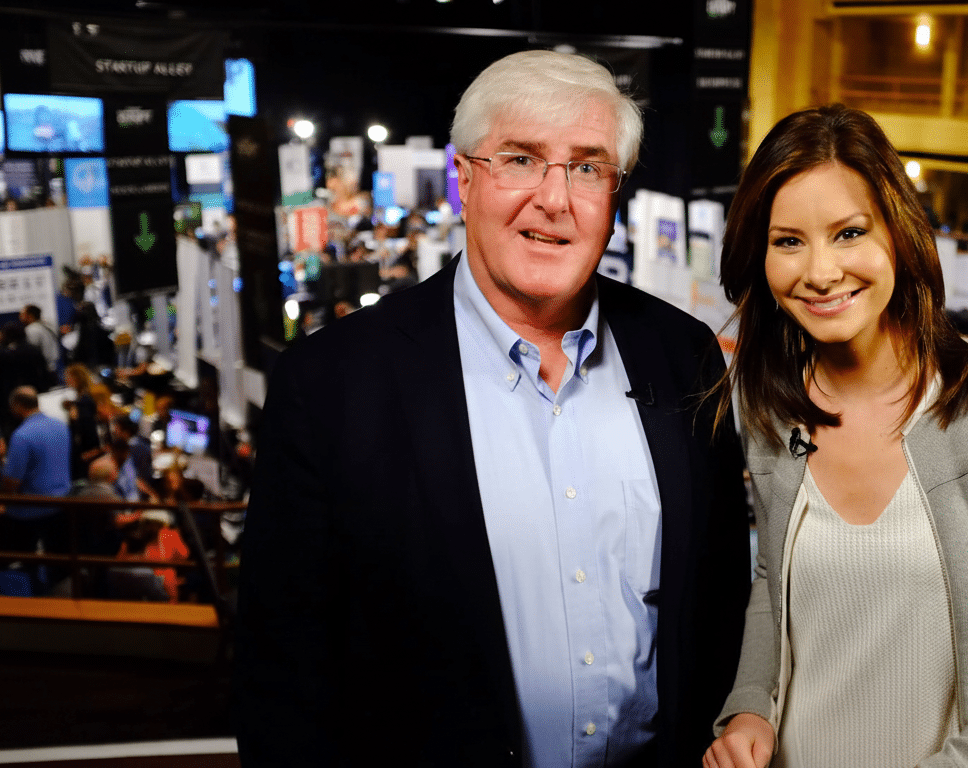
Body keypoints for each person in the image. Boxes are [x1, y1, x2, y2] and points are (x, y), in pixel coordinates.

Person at [234, 50, 750, 768]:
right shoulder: (332, 385)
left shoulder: (683, 354)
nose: (554, 198)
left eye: (587, 166)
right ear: (465, 177)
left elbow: (724, 597)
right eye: (521, 159)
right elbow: (281, 675)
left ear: (616, 191)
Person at [703, 105, 968, 768]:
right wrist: (750, 705)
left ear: (898, 230)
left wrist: (965, 763)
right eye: (788, 241)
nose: (821, 271)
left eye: (848, 233)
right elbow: (773, 581)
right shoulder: (769, 409)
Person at [0, 387, 72, 561]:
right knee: (58, 562)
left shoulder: (22, 436)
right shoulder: (61, 426)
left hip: (29, 511)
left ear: (17, 406)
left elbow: (11, 482)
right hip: (62, 505)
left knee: (21, 561)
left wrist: (1, 501)